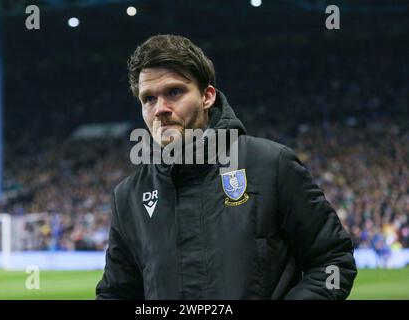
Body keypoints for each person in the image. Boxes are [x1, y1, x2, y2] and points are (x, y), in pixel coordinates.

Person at [96, 34, 357, 299]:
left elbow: (333, 261)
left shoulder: (271, 165)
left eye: (174, 92)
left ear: (207, 96)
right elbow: (116, 293)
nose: (160, 109)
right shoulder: (128, 195)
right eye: (148, 99)